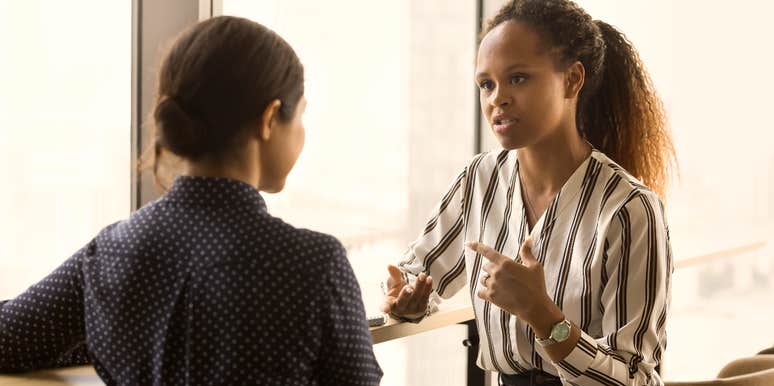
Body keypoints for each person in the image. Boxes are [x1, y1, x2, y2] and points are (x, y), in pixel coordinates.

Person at [0, 16, 382, 385]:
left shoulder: (109, 254)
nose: (302, 135)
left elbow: (9, 338)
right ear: (269, 119)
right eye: (300, 117)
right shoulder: (313, 266)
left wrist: (107, 334)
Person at [381, 1, 673, 385]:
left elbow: (638, 379)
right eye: (486, 84)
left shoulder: (629, 208)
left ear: (572, 79)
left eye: (518, 78)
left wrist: (542, 314)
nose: (496, 99)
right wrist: (406, 298)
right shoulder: (479, 180)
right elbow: (415, 272)